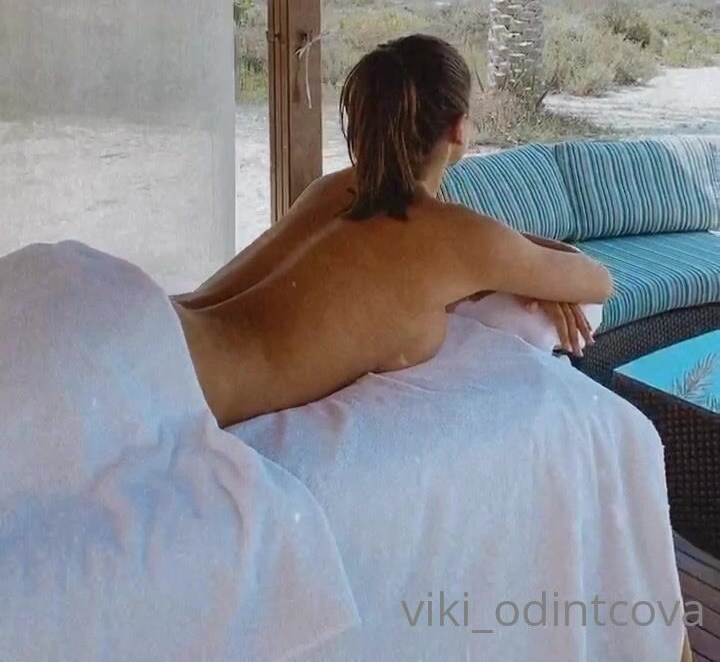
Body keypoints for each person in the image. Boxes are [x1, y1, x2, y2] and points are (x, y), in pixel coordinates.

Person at [173, 35, 612, 428]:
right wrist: (519, 267)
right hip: (166, 382)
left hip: (165, 324)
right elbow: (598, 281)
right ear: (459, 129)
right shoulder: (454, 239)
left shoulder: (335, 190)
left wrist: (504, 264)